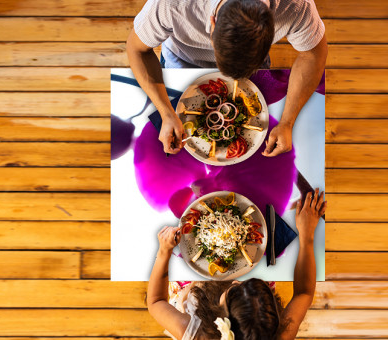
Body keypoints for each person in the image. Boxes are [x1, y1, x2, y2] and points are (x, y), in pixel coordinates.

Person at [127, 0, 328, 156]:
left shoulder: (296, 6)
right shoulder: (170, 5)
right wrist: (166, 113)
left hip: (254, 72)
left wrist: (287, 122)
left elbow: (314, 54)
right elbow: (136, 49)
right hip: (182, 61)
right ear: (212, 24)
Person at [147, 189, 327, 339]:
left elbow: (156, 302)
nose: (237, 281)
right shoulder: (279, 335)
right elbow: (304, 293)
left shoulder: (197, 334)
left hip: (196, 293)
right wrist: (307, 235)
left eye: (235, 289)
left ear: (222, 321)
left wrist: (164, 251)